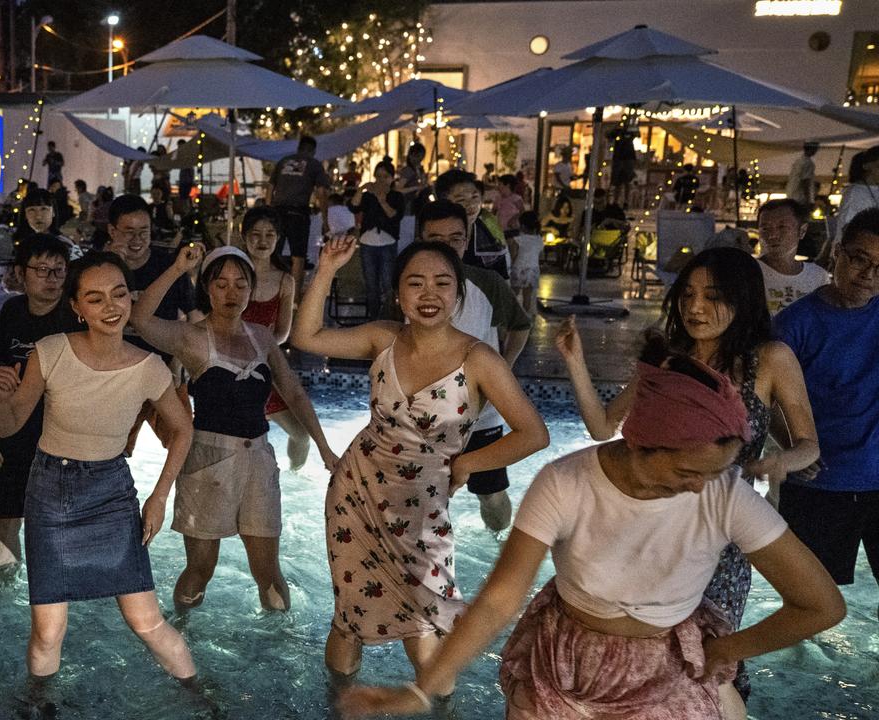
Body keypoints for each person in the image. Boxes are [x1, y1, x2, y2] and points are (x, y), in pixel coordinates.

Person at [340, 334, 845, 719]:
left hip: (670, 662)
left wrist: (726, 649)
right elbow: (498, 599)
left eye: (716, 471)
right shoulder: (566, 483)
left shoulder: (722, 492)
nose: (701, 487)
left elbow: (820, 604)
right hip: (565, 658)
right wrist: (425, 685)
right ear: (643, 442)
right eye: (689, 472)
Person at [557, 246, 820, 698]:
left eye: (712, 296)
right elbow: (603, 427)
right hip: (653, 524)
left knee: (707, 656)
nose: (695, 307)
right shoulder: (669, 359)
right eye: (688, 294)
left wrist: (780, 461)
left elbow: (809, 444)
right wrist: (575, 362)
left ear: (743, 299)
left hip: (724, 530)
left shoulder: (771, 358)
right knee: (640, 652)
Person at [292, 236, 548, 697]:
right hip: (356, 492)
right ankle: (337, 707)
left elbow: (534, 434)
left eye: (442, 283)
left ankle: (437, 707)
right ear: (398, 294)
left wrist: (469, 461)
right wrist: (326, 268)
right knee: (350, 616)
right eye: (415, 283)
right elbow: (305, 337)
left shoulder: (479, 359)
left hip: (423, 508)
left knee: (424, 621)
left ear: (459, 294)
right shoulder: (382, 338)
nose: (428, 294)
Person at [0, 251, 198, 687]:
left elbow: (182, 431)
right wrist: (3, 397)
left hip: (111, 493)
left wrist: (159, 497)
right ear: (77, 308)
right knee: (48, 632)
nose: (111, 307)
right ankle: (40, 705)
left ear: (131, 297)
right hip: (50, 491)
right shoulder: (49, 352)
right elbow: (9, 426)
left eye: (119, 294)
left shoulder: (148, 366)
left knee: (147, 623)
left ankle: (202, 700)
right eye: (95, 298)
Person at [133, 243, 337, 612]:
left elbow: (292, 391)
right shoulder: (190, 337)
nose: (232, 292)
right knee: (200, 570)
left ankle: (281, 653)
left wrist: (323, 447)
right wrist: (179, 267)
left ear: (251, 289)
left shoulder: (261, 336)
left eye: (241, 284)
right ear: (207, 289)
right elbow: (141, 319)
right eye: (221, 283)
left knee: (269, 573)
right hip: (208, 462)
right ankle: (180, 634)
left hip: (258, 458)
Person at [418, 201, 537, 532]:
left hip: (481, 417)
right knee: (424, 496)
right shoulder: (408, 288)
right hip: (426, 416)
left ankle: (497, 544)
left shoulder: (487, 283)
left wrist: (503, 370)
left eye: (455, 238)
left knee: (492, 495)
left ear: (467, 240)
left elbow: (520, 325)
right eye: (435, 239)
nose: (447, 247)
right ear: (420, 239)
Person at [777, 208, 879, 592]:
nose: (869, 274)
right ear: (837, 252)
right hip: (820, 483)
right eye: (859, 259)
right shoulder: (794, 325)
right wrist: (794, 447)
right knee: (812, 600)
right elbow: (765, 398)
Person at [0, 234, 81, 579]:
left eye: (59, 271)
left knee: (57, 525)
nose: (52, 278)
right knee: (5, 517)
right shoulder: (12, 310)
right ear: (21, 273)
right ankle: (4, 591)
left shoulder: (75, 315)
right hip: (15, 430)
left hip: (61, 434)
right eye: (42, 270)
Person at [105, 194, 201, 456]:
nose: (137, 240)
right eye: (128, 232)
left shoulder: (169, 264)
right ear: (112, 231)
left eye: (143, 232)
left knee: (186, 446)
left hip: (166, 370)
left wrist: (183, 361)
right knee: (109, 453)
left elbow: (193, 318)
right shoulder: (97, 267)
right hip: (115, 375)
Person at [240, 207, 318, 470]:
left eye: (269, 235)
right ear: (244, 235)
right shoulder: (232, 274)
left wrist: (262, 351)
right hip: (231, 364)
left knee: (302, 434)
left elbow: (284, 331)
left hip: (268, 364)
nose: (262, 241)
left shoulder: (284, 280)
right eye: (256, 234)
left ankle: (295, 476)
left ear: (277, 238)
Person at [268, 135, 331, 292]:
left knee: (272, 252)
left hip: (277, 212)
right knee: (298, 257)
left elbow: (270, 188)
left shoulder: (283, 161)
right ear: (313, 150)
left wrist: (268, 210)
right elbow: (322, 192)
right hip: (298, 212)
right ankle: (294, 298)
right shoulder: (314, 164)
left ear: (299, 148)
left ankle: (270, 292)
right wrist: (325, 220)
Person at [350, 161, 405, 319]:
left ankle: (389, 317)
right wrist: (362, 189)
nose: (381, 180)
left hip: (387, 242)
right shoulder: (368, 196)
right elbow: (353, 206)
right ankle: (373, 318)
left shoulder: (396, 196)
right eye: (378, 176)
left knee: (388, 283)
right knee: (371, 283)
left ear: (391, 178)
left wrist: (382, 200)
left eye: (385, 176)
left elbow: (395, 216)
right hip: (368, 242)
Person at [756, 199, 830, 315]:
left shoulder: (818, 277)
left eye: (782, 227)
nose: (772, 235)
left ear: (802, 231)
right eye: (765, 228)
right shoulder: (749, 272)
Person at [437, 171, 510, 279]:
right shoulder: (434, 237)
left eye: (474, 197)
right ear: (443, 202)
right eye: (461, 200)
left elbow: (502, 282)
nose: (471, 205)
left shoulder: (490, 237)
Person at [826, 146, 879, 266]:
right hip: (856, 255)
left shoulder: (875, 190)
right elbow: (847, 226)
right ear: (867, 165)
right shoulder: (854, 192)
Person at [509, 210, 544, 316]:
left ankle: (513, 315)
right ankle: (525, 316)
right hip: (533, 270)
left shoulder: (517, 240)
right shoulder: (539, 239)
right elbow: (540, 255)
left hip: (518, 269)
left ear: (522, 225)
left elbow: (513, 256)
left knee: (514, 293)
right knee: (527, 295)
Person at [610, 127, 638, 207]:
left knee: (625, 183)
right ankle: (617, 201)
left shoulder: (629, 133)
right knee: (619, 183)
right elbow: (610, 135)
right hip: (621, 159)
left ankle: (623, 201)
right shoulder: (618, 133)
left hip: (625, 159)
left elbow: (635, 134)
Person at [786, 142, 819, 207]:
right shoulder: (808, 163)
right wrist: (809, 200)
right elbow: (806, 182)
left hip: (791, 195)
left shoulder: (798, 161)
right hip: (800, 198)